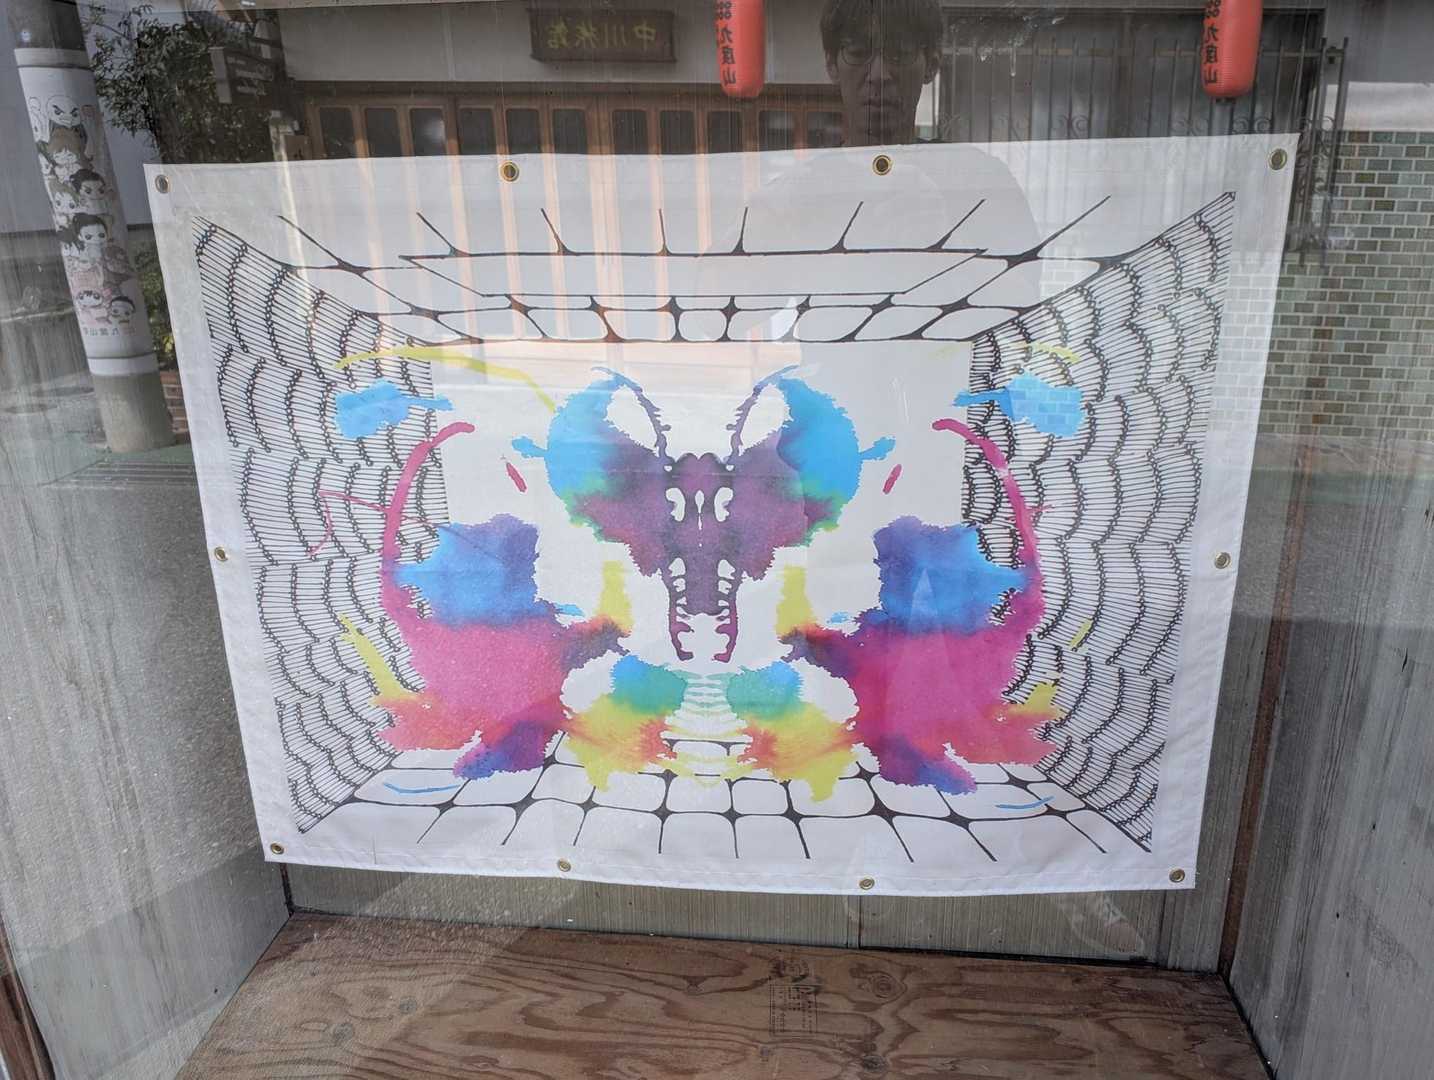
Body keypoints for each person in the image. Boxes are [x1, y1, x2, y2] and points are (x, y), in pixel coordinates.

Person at [820, 0, 944, 146]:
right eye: (858, 53)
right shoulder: (812, 163)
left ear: (931, 66)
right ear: (832, 66)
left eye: (899, 54)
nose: (878, 76)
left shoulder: (959, 159)